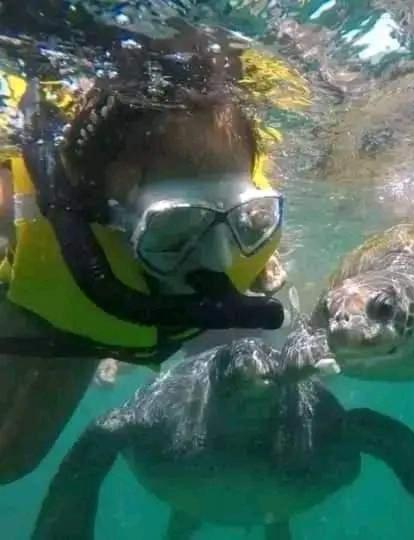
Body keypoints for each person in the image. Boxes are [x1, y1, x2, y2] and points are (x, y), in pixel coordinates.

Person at [0, 28, 306, 482]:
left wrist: (256, 248)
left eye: (246, 220)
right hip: (38, 308)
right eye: (177, 228)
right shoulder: (18, 217)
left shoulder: (241, 199)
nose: (215, 262)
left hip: (92, 324)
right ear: (112, 213)